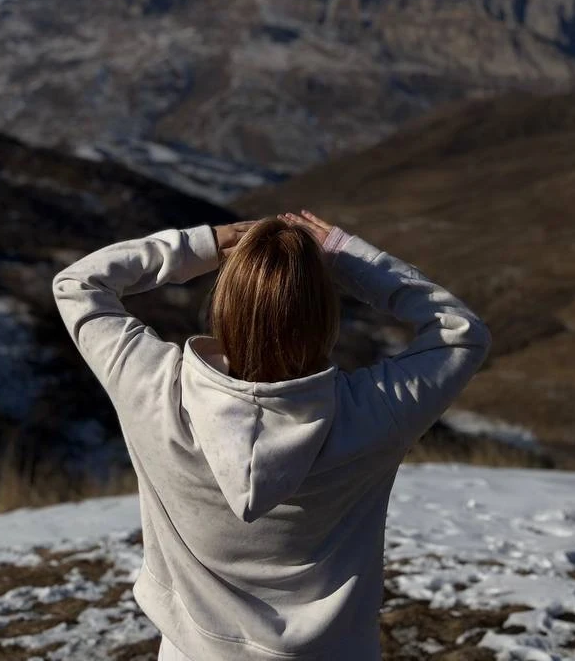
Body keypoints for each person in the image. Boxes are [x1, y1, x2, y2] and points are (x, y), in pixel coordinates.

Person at [52, 208, 491, 661]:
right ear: (325, 317)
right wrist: (347, 258)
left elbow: (79, 284)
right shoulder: (371, 413)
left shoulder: (157, 391)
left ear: (224, 305)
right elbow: (461, 332)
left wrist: (204, 244)